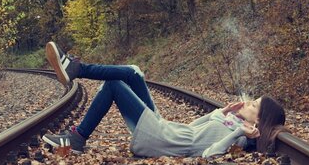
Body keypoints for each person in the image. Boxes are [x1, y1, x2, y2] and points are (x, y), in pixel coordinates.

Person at [42, 42, 286, 157]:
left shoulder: (241, 139)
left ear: (258, 121)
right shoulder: (231, 122)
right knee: (133, 71)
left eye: (254, 106)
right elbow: (192, 131)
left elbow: (208, 155)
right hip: (166, 128)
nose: (248, 103)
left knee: (115, 85)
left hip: (161, 138)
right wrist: (219, 114)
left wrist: (236, 133)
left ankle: (77, 138)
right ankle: (78, 69)